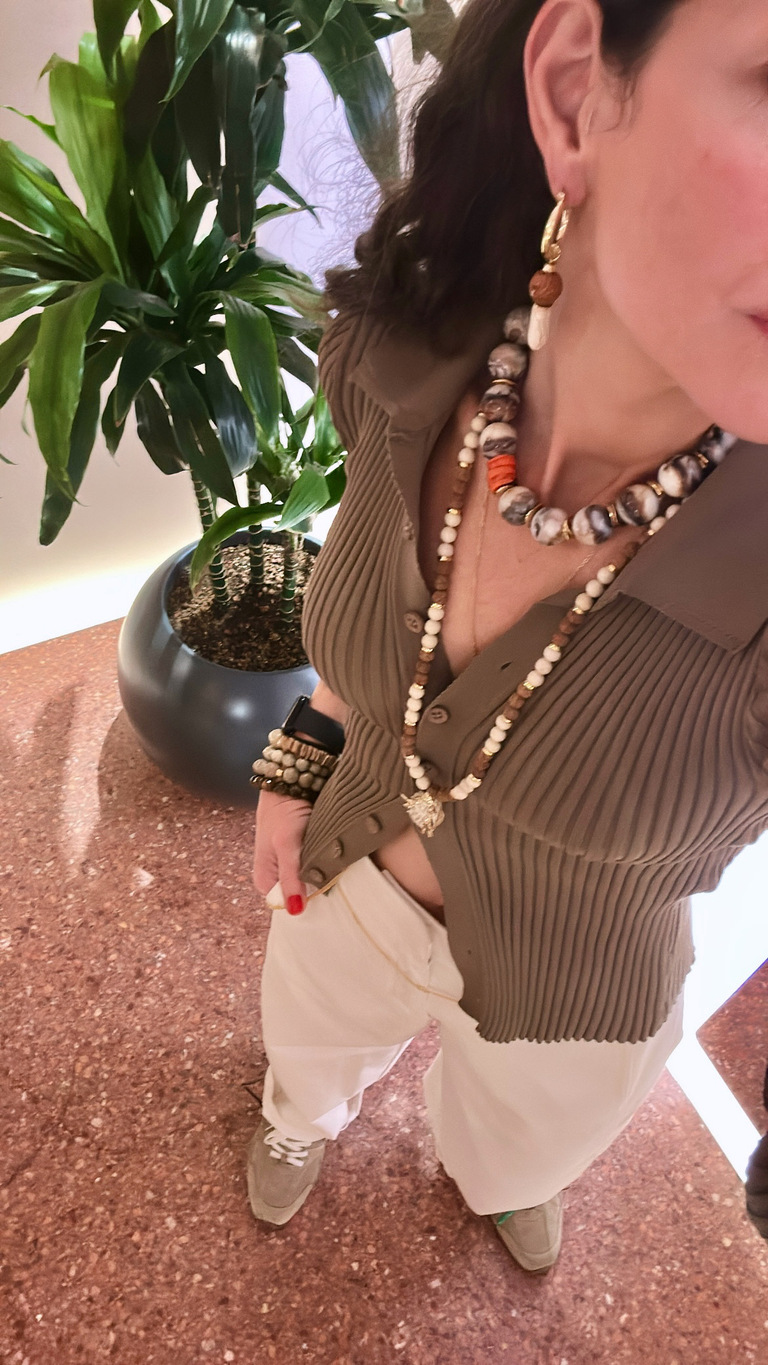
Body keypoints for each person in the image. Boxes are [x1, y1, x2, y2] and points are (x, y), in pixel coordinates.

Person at [248, 0, 768, 1274]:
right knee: (304, 1061)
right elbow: (366, 616)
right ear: (578, 85)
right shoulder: (401, 357)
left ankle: (501, 1177)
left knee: (516, 1158)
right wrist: (304, 755)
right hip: (338, 881)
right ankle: (299, 1121)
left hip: (573, 1005)